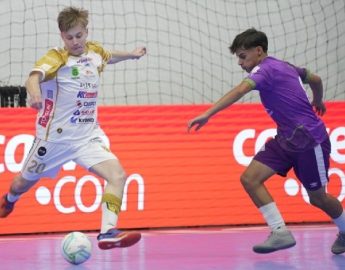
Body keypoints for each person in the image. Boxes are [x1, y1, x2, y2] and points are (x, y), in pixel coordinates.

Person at [188, 28, 345, 254]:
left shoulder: (264, 70)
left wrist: (208, 114)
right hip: (286, 138)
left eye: (243, 56)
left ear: (259, 51)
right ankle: (280, 232)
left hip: (310, 140)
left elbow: (242, 89)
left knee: (318, 198)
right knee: (250, 178)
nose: (240, 63)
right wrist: (318, 100)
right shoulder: (287, 66)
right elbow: (315, 78)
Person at [0, 6, 146, 250]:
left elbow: (110, 55)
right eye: (69, 37)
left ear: (86, 32)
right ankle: (9, 200)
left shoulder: (95, 52)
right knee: (19, 185)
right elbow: (33, 77)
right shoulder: (57, 57)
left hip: (87, 138)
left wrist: (131, 55)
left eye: (79, 36)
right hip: (54, 141)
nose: (75, 42)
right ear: (62, 37)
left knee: (118, 175)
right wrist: (34, 95)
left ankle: (107, 232)